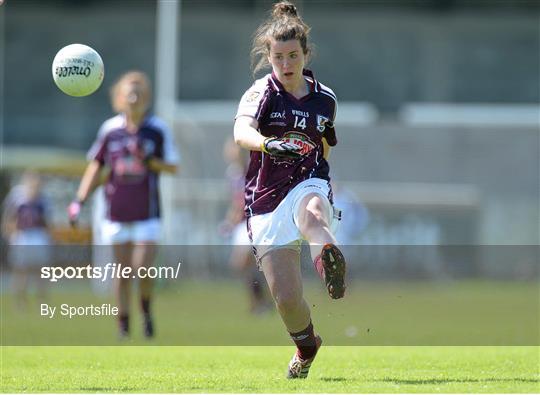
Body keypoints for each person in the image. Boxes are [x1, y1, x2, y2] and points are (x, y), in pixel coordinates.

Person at [234, 1, 346, 379]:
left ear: (305, 54)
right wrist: (268, 144)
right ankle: (307, 345)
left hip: (307, 183)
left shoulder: (325, 98)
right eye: (279, 57)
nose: (286, 63)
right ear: (268, 57)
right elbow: (241, 132)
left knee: (313, 213)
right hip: (265, 201)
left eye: (293, 55)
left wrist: (320, 163)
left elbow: (327, 143)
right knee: (285, 298)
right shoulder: (260, 93)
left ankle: (328, 260)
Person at [67, 71, 179, 339]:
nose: (134, 97)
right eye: (129, 92)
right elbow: (97, 166)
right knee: (122, 272)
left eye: (139, 92)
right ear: (118, 98)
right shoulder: (110, 130)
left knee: (143, 268)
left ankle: (146, 313)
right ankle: (123, 324)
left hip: (147, 214)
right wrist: (79, 200)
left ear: (146, 98)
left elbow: (173, 166)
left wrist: (150, 161)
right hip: (115, 213)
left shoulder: (157, 130)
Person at [220, 138, 272, 314]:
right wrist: (229, 221)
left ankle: (262, 301)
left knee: (243, 263)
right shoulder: (232, 173)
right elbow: (236, 201)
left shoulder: (255, 170)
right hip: (241, 224)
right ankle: (260, 302)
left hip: (255, 221)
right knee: (246, 266)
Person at [1, 171, 51, 307]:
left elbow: (46, 221)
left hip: (38, 235)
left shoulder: (43, 199)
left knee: (41, 271)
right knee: (21, 271)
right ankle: (20, 301)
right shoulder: (17, 197)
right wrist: (10, 233)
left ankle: (41, 300)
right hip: (22, 235)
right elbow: (9, 217)